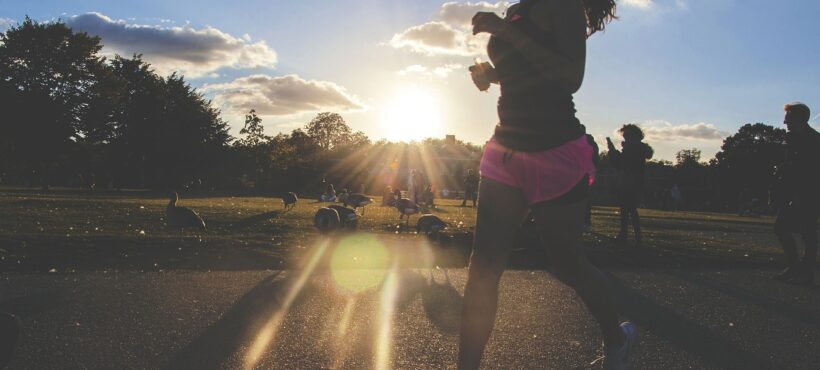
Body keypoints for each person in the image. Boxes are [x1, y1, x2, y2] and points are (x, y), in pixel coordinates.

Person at [459, 1, 635, 370]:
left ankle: (617, 338)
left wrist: (505, 32)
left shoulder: (563, 7)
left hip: (554, 150)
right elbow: (527, 68)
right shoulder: (518, 8)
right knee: (484, 266)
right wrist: (491, 75)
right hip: (506, 147)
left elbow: (570, 76)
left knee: (567, 264)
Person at [771, 102, 819, 285]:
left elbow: (811, 172)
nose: (784, 121)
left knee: (806, 231)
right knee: (790, 229)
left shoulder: (814, 141)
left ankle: (803, 271)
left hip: (809, 194)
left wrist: (800, 195)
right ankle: (799, 269)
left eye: (788, 118)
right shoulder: (792, 139)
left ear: (800, 119)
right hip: (793, 192)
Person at [607, 124, 653, 246]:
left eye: (627, 135)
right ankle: (634, 237)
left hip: (629, 182)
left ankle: (628, 236)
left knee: (628, 209)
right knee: (629, 209)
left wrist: (613, 152)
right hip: (635, 182)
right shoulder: (638, 148)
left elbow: (621, 164)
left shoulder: (632, 148)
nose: (625, 137)